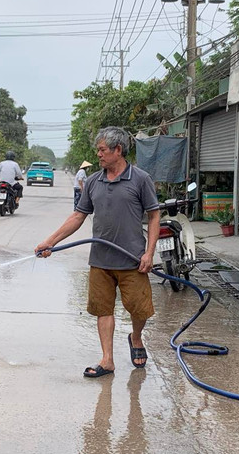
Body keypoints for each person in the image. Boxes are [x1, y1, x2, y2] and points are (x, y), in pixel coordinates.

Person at [36, 127, 159, 378]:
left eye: (102, 150)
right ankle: (107, 360)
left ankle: (136, 337)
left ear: (118, 150)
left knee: (139, 309)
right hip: (100, 260)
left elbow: (154, 215)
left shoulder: (140, 179)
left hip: (133, 259)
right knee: (103, 309)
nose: (98, 155)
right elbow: (78, 216)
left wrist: (149, 253)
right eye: (98, 150)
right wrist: (50, 242)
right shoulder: (93, 181)